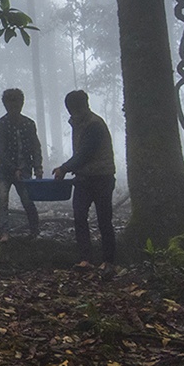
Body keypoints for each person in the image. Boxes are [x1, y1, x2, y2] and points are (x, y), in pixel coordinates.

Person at [52, 90, 116, 268]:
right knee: (79, 217)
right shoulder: (78, 123)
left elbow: (85, 153)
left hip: (102, 177)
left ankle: (108, 261)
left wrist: (64, 168)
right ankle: (85, 259)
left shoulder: (94, 125)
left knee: (104, 220)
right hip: (83, 179)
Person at [0, 88, 43, 238]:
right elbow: (1, 151)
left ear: (22, 104)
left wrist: (38, 166)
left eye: (17, 105)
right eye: (10, 105)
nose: (14, 109)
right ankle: (4, 231)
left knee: (27, 199)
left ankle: (35, 230)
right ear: (5, 105)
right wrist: (13, 168)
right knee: (2, 197)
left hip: (24, 169)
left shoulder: (29, 124)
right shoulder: (1, 124)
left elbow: (36, 147)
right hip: (3, 170)